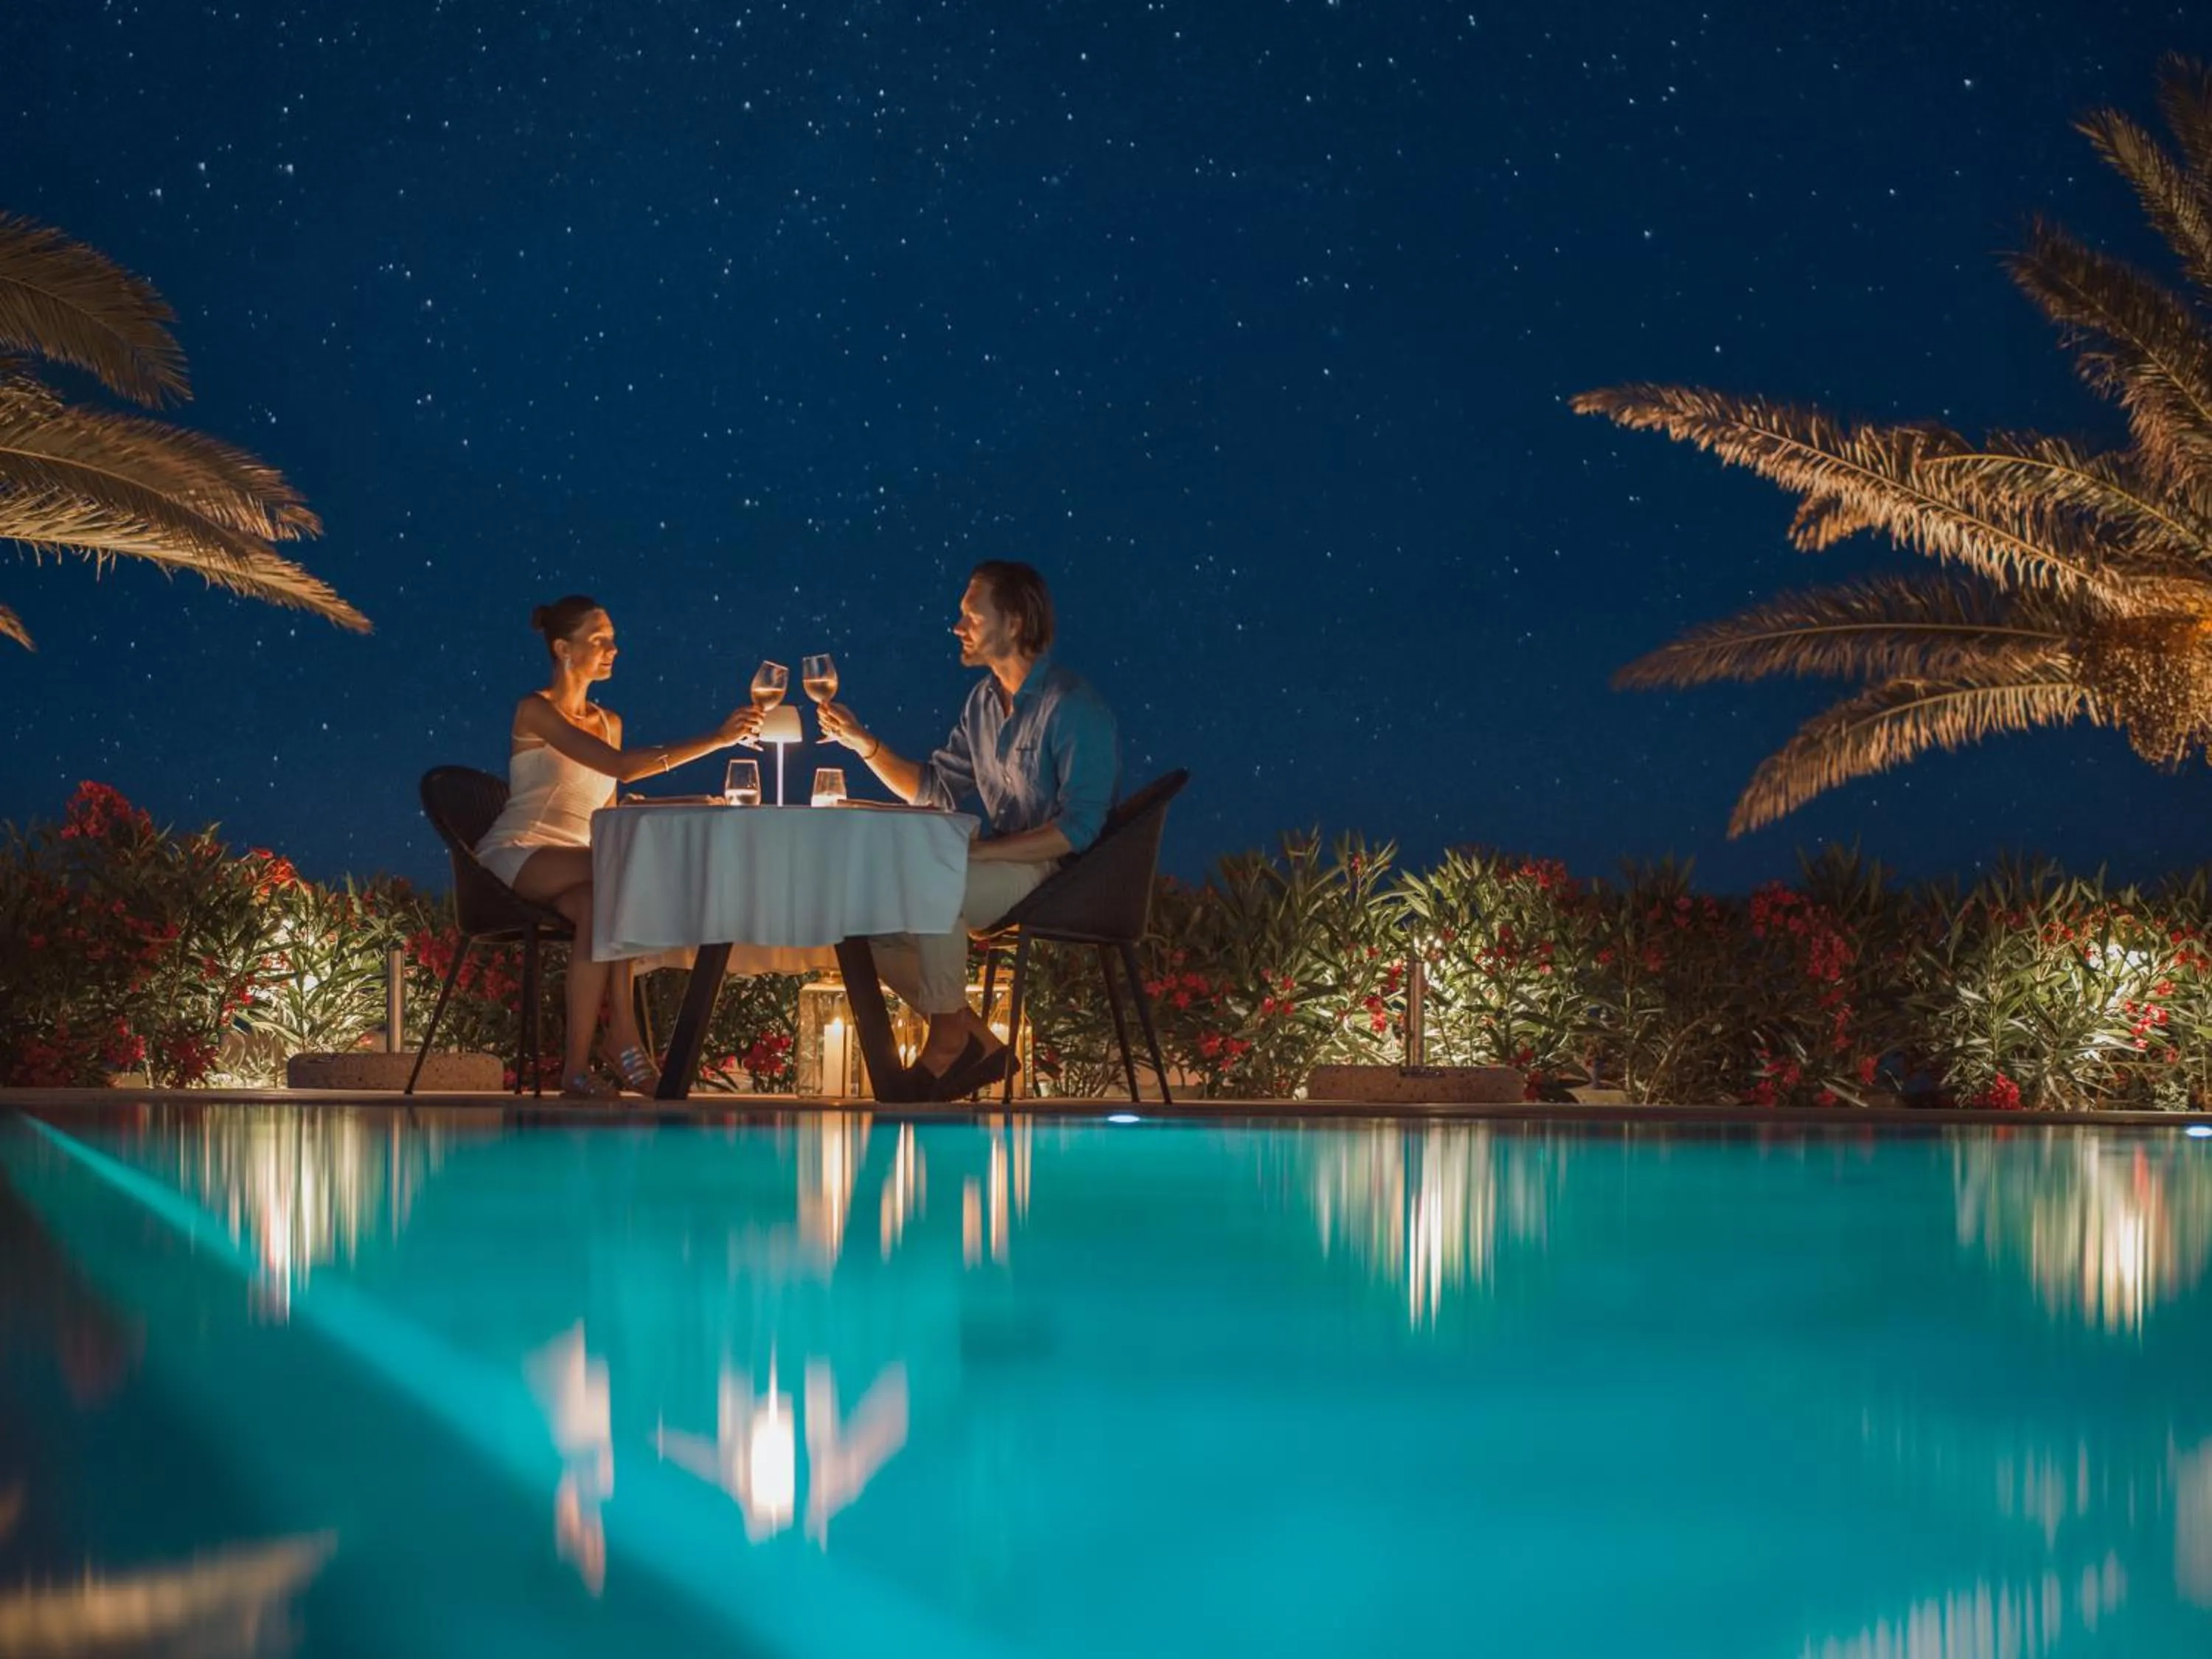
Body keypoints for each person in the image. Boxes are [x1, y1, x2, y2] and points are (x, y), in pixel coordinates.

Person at [818, 561, 1119, 1100]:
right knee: (862, 918)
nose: (957, 627)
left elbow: (1080, 828)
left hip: (1054, 874)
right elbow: (935, 787)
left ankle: (948, 1042)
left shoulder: (1072, 706)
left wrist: (978, 855)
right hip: (997, 865)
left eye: (970, 616)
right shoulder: (982, 702)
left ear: (1015, 622)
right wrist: (863, 743)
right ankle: (968, 1035)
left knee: (936, 884)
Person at [477, 596, 760, 1097]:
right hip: (517, 854)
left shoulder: (610, 723)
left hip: (582, 866)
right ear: (564, 648)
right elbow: (622, 767)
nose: (613, 649)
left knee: (601, 901)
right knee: (622, 876)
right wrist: (718, 740)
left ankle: (576, 1072)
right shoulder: (536, 711)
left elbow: (608, 811)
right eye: (599, 640)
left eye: (612, 640)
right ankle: (624, 1035)